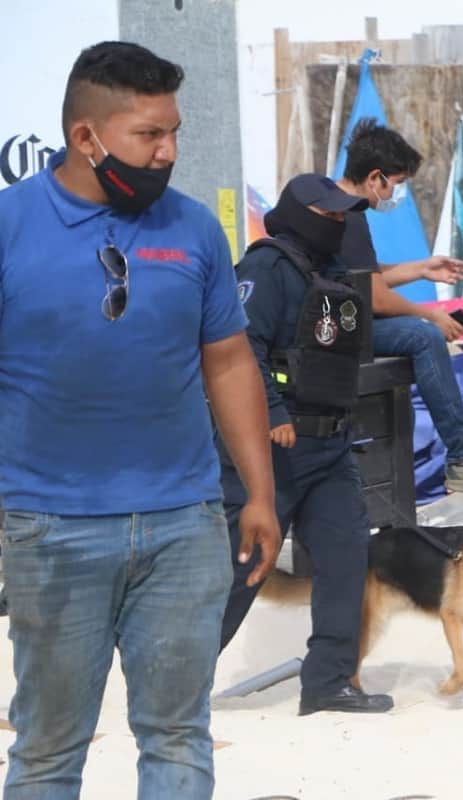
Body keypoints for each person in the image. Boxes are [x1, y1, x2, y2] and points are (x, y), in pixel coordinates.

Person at [0, 41, 280, 799]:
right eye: (149, 135)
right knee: (49, 748)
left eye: (174, 132)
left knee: (178, 737)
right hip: (49, 527)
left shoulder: (194, 229)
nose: (169, 152)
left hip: (185, 523)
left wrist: (259, 493)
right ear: (86, 137)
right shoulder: (10, 224)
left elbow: (229, 362)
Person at [218, 172, 393, 716]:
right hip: (270, 449)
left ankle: (328, 683)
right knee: (243, 568)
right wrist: (272, 413)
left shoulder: (332, 271)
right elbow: (240, 349)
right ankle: (174, 688)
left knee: (346, 556)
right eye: (329, 214)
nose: (338, 223)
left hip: (330, 446)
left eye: (343, 215)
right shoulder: (265, 269)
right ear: (298, 214)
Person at [335, 119, 463, 494]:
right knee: (425, 337)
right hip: (341, 329)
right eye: (397, 184)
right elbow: (376, 297)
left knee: (422, 332)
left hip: (338, 319)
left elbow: (365, 276)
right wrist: (430, 315)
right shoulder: (350, 217)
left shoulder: (336, 204)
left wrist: (422, 268)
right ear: (375, 178)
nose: (397, 194)